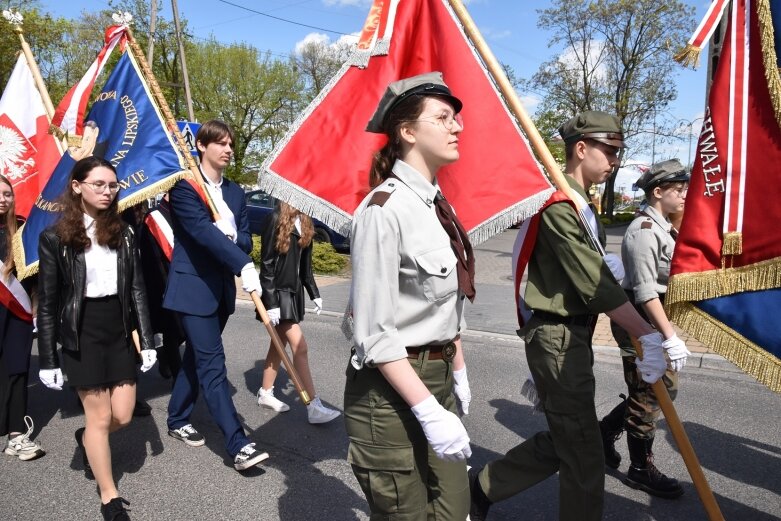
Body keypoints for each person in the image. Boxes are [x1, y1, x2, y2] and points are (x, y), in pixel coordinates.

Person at [468, 111, 679, 521]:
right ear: (581, 149)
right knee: (584, 452)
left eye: (619, 151)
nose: (615, 159)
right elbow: (592, 284)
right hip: (558, 337)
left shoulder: (580, 205)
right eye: (610, 150)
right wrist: (648, 335)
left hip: (572, 336)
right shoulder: (559, 205)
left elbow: (591, 273)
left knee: (569, 437)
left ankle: (481, 487)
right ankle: (480, 489)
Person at [345, 72, 474, 520]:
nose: (457, 126)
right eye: (443, 117)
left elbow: (443, 304)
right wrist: (428, 410)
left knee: (456, 511)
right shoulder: (383, 210)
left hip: (436, 376)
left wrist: (457, 370)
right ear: (408, 131)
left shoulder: (438, 206)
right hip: (390, 391)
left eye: (456, 118)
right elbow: (374, 333)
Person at [37, 156, 158, 521]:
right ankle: (110, 497)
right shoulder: (54, 238)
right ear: (77, 186)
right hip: (81, 329)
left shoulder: (125, 232)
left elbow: (138, 289)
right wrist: (47, 359)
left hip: (118, 328)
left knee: (121, 415)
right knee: (100, 417)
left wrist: (148, 340)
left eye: (112, 185)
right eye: (99, 184)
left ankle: (87, 438)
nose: (108, 191)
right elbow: (48, 302)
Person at [163, 119, 269, 471]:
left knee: (196, 357)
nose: (227, 149)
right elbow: (197, 232)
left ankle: (177, 418)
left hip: (221, 289)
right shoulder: (185, 188)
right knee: (212, 364)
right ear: (202, 147)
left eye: (231, 144)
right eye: (220, 143)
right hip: (193, 288)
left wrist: (229, 237)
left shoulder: (236, 192)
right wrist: (228, 244)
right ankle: (238, 444)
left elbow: (245, 239)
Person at [600, 158, 691, 499]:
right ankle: (640, 470)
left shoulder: (665, 226)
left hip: (654, 319)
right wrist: (667, 336)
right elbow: (645, 291)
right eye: (678, 190)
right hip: (640, 322)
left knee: (656, 393)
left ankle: (605, 430)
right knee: (650, 395)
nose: (684, 196)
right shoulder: (644, 231)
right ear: (657, 192)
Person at [256, 201, 341, 423]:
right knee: (299, 346)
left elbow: (306, 267)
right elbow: (266, 265)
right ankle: (313, 405)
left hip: (293, 295)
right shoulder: (275, 218)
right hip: (278, 294)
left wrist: (314, 293)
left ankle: (265, 393)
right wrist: (272, 302)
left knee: (278, 345)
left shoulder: (305, 222)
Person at [0, 175, 44, 462]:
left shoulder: (22, 229)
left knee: (16, 367)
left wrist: (36, 305)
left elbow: (36, 271)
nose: (3, 198)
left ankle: (16, 433)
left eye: (7, 193)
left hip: (15, 308)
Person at [138, 195, 184, 380]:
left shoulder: (182, 213)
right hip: (160, 281)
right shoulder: (154, 217)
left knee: (179, 331)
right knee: (171, 328)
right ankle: (175, 370)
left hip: (179, 280)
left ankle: (167, 356)